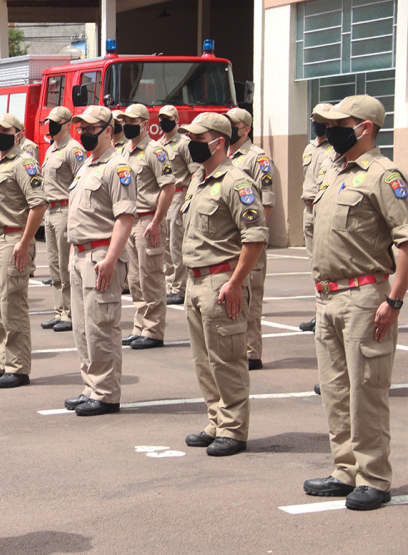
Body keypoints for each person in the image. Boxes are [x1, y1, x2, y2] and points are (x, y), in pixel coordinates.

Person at [302, 95, 406, 511]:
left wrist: (394, 300)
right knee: (335, 389)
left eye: (340, 123)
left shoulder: (385, 174)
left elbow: (405, 240)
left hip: (366, 297)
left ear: (364, 128)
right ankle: (345, 469)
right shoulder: (334, 170)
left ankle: (374, 476)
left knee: (367, 391)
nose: (330, 131)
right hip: (328, 297)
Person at [180, 112, 267, 457]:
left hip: (221, 280)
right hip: (196, 280)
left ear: (218, 142)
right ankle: (216, 419)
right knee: (204, 360)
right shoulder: (198, 179)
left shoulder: (237, 182)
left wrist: (235, 282)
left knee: (227, 360)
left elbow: (255, 237)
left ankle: (233, 428)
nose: (192, 145)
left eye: (198, 139)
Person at [64, 105, 136, 416]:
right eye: (82, 128)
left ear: (108, 131)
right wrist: (72, 254)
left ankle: (106, 393)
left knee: (101, 327)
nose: (85, 133)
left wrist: (110, 259)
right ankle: (90, 385)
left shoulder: (117, 167)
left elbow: (125, 218)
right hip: (80, 255)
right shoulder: (86, 166)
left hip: (100, 256)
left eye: (92, 129)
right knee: (82, 328)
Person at [0, 113, 47, 388]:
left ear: (18, 133)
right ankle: (2, 362)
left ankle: (18, 367)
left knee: (12, 305)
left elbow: (38, 204)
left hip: (13, 240)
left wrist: (25, 241)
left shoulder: (24, 163)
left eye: (4, 130)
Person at [226, 107, 279, 370]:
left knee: (251, 299)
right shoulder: (225, 156)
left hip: (249, 241)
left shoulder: (257, 159)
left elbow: (265, 203)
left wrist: (254, 238)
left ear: (246, 128)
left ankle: (251, 353)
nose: (229, 128)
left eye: (233, 124)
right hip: (229, 242)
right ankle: (237, 351)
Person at [120, 103, 175, 349]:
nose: (126, 126)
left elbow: (168, 186)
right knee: (134, 278)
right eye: (124, 122)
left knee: (150, 276)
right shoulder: (123, 151)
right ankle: (140, 326)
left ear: (144, 124)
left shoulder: (155, 151)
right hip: (130, 222)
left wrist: (156, 221)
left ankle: (153, 330)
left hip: (147, 221)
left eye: (131, 122)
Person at [40, 106, 85, 333]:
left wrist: (74, 216)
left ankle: (70, 313)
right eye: (50, 121)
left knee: (67, 267)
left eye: (56, 122)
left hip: (65, 211)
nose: (51, 126)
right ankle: (59, 311)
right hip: (50, 212)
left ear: (68, 124)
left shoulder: (74, 150)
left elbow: (80, 186)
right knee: (55, 266)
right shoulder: (51, 150)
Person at [299, 103, 337, 333]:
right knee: (315, 266)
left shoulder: (337, 149)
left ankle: (327, 313)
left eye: (321, 119)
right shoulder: (310, 148)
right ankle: (319, 311)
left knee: (328, 265)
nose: (316, 123)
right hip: (309, 212)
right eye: (314, 118)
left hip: (325, 212)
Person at [157, 105, 199, 306]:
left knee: (176, 242)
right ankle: (168, 285)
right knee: (164, 242)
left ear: (176, 119)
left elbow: (195, 173)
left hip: (179, 195)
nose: (164, 121)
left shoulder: (184, 143)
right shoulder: (158, 145)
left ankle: (179, 287)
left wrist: (189, 200)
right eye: (161, 118)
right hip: (162, 197)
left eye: (168, 118)